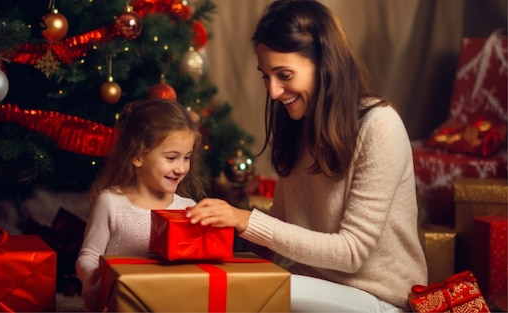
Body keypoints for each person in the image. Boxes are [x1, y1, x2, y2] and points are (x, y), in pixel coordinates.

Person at [186, 0, 427, 311]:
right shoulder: (297, 125)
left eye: (284, 75)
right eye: (265, 76)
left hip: (379, 298)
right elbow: (281, 224)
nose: (272, 92)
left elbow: (352, 253)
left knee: (255, 294)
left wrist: (243, 219)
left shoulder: (380, 125)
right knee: (226, 287)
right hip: (315, 286)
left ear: (325, 64)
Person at [75, 98, 206, 312]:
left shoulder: (189, 208)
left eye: (187, 158)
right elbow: (88, 255)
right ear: (138, 156)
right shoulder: (111, 202)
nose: (181, 168)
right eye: (172, 158)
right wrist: (91, 276)